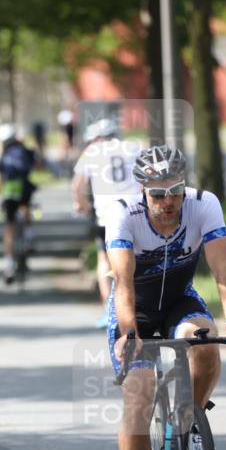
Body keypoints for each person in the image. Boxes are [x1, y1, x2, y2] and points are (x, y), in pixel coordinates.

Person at [106, 145, 226, 450]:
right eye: (157, 194)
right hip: (135, 310)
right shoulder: (123, 213)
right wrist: (128, 333)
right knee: (138, 398)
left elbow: (223, 270)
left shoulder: (203, 204)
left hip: (179, 301)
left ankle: (189, 421)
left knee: (205, 344)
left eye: (175, 190)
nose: (168, 202)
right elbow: (122, 283)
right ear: (142, 190)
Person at [71, 119, 143, 328]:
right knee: (138, 255)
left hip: (107, 214)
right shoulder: (132, 147)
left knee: (105, 258)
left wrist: (82, 204)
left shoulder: (91, 152)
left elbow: (77, 186)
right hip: (134, 210)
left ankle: (109, 310)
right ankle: (140, 304)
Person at [0, 124, 39, 283]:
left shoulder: (4, 154)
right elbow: (36, 165)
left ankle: (8, 266)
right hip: (24, 189)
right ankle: (28, 239)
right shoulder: (24, 150)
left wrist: (0, 194)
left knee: (9, 226)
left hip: (8, 191)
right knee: (26, 209)